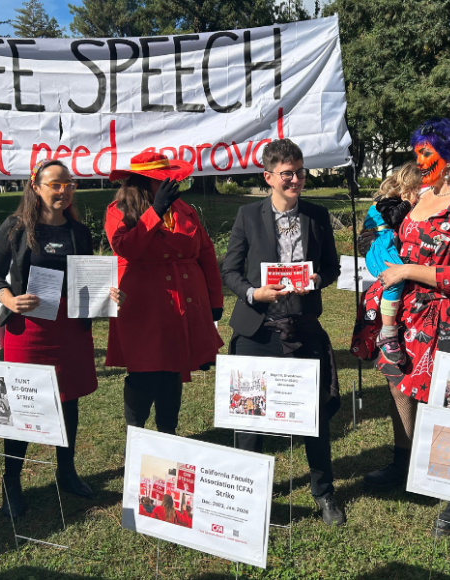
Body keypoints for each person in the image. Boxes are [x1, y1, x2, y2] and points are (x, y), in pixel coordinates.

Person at [360, 118, 450, 537]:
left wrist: (406, 271)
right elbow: (390, 238)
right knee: (399, 383)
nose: (419, 162)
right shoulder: (417, 196)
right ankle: (406, 464)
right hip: (405, 313)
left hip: (447, 316)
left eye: (427, 154)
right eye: (417, 152)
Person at [0, 159, 125, 518]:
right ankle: (11, 481)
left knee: (68, 401)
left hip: (69, 331)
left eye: (69, 185)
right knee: (23, 406)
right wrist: (9, 300)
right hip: (27, 331)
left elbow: (86, 280)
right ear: (36, 187)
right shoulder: (16, 228)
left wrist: (105, 295)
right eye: (55, 185)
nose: (63, 191)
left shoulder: (78, 231)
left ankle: (66, 471)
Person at [221, 138, 345, 526]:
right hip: (257, 331)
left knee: (314, 416)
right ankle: (249, 495)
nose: (295, 180)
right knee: (250, 416)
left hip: (302, 326)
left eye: (300, 172)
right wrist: (253, 292)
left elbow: (332, 268)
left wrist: (316, 281)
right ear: (269, 177)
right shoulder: (247, 215)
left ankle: (324, 492)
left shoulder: (317, 215)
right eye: (287, 174)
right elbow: (230, 270)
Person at [105, 152, 223, 436]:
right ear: (143, 182)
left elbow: (205, 253)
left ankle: (167, 433)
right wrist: (154, 212)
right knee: (145, 371)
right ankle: (137, 431)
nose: (169, 182)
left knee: (173, 371)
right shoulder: (118, 210)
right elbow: (125, 248)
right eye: (161, 179)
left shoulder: (183, 208)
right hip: (143, 304)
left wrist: (214, 300)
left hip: (183, 301)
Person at [361, 162, 422, 371]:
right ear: (407, 186)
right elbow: (393, 218)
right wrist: (407, 202)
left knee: (399, 279)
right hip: (380, 245)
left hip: (386, 245)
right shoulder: (387, 201)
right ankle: (387, 333)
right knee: (394, 278)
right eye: (417, 190)